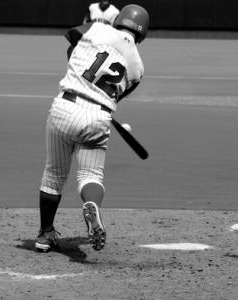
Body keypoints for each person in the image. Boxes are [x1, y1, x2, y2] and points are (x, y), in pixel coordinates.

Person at [35, 4, 150, 252]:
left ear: (119, 20)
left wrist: (77, 58)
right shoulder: (138, 68)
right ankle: (92, 206)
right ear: (142, 34)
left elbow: (71, 37)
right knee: (90, 176)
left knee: (53, 176)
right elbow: (117, 95)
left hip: (65, 107)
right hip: (99, 115)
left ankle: (45, 235)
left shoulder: (96, 28)